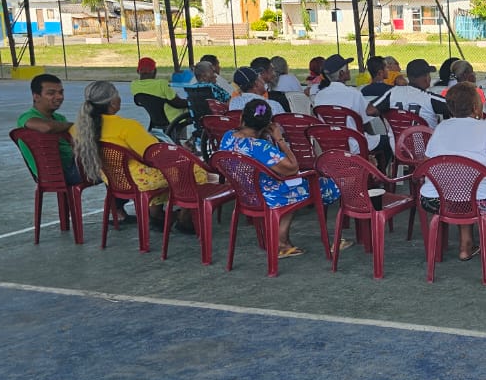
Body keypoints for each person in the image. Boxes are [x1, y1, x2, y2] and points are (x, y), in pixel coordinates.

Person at [72, 81, 204, 232]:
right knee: (193, 169)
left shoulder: (82, 128)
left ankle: (157, 214)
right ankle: (185, 218)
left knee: (159, 171)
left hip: (113, 180)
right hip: (140, 180)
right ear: (113, 102)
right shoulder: (127, 127)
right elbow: (155, 154)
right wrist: (181, 151)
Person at [219, 100, 341, 258]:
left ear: (242, 117)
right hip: (268, 195)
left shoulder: (228, 137)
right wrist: (280, 140)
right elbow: (292, 168)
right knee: (325, 184)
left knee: (296, 185)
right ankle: (331, 239)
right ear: (268, 125)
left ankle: (282, 241)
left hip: (245, 193)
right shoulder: (260, 147)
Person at [421, 83, 486, 262]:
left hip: (437, 200)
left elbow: (426, 165)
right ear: (475, 107)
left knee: (460, 188)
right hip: (478, 202)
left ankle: (466, 244)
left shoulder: (441, 128)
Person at [312, 54, 389, 155]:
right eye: (347, 69)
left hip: (329, 145)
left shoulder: (319, 95)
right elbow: (366, 121)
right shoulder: (353, 93)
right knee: (388, 141)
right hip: (354, 145)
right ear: (341, 73)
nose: (349, 71)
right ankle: (376, 165)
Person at [16, 74, 79, 184]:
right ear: (36, 96)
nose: (59, 97)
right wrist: (74, 126)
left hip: (71, 167)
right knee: (109, 170)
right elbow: (47, 127)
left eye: (61, 92)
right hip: (54, 174)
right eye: (51, 93)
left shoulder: (59, 118)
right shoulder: (27, 117)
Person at [372, 59, 449, 128]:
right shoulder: (429, 98)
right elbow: (454, 107)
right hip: (427, 139)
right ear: (426, 78)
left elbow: (370, 110)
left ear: (408, 77)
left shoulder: (393, 92)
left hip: (398, 139)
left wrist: (387, 114)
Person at [130, 57, 188, 127]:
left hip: (156, 119)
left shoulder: (134, 85)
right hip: (173, 119)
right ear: (154, 71)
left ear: (138, 71)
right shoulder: (162, 84)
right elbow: (178, 103)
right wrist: (190, 102)